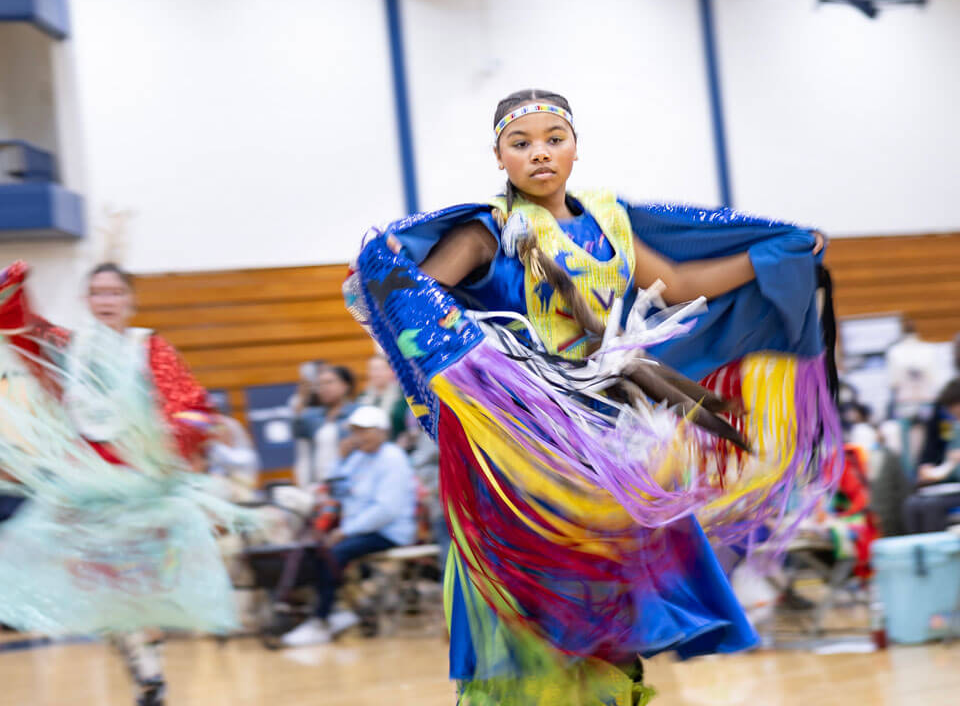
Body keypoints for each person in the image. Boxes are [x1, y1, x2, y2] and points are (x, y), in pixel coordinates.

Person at [343, 89, 839, 703]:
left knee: (603, 602)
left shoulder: (609, 219)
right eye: (520, 144)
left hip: (604, 438)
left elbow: (680, 283)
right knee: (534, 597)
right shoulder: (485, 230)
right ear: (499, 157)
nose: (540, 154)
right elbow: (410, 298)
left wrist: (776, 253)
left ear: (576, 147)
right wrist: (483, 364)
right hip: (519, 442)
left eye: (555, 139)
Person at [0, 260, 251, 706]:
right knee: (112, 598)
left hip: (146, 490)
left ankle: (149, 670)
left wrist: (170, 442)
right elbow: (17, 329)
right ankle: (145, 669)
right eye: (98, 293)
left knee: (143, 592)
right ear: (87, 301)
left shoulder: (149, 348)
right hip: (91, 495)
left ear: (130, 301)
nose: (108, 300)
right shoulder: (69, 352)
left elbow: (190, 405)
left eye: (116, 292)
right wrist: (13, 284)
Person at [281, 405, 418, 647]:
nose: (358, 437)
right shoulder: (357, 457)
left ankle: (321, 620)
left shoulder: (393, 458)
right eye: (354, 431)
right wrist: (340, 459)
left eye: (364, 431)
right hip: (357, 528)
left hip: (389, 531)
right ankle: (335, 611)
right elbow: (336, 488)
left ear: (381, 432)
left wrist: (345, 531)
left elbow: (386, 510)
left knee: (334, 554)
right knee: (313, 549)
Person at [903, 380, 960, 533]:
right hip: (951, 486)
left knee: (931, 506)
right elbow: (946, 461)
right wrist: (931, 470)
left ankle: (938, 553)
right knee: (912, 504)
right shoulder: (952, 427)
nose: (953, 414)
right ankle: (919, 551)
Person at [292, 365, 358, 488]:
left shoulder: (359, 414)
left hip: (349, 484)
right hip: (319, 484)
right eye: (320, 385)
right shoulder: (312, 416)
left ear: (345, 385)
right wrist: (302, 398)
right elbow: (297, 430)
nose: (324, 388)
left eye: (329, 383)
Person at [358, 353, 409, 445]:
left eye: (381, 369)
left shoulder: (403, 396)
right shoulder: (363, 396)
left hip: (397, 444)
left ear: (391, 371)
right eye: (373, 369)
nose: (377, 374)